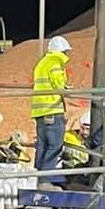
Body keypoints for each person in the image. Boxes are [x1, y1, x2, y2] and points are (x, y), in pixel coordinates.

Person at [30, 35, 72, 171]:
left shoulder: (42, 63)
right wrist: (66, 88)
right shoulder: (55, 63)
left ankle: (37, 176)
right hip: (52, 109)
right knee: (55, 146)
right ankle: (46, 179)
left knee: (42, 146)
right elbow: (58, 84)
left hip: (40, 111)